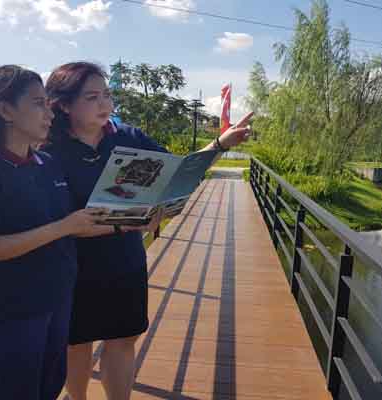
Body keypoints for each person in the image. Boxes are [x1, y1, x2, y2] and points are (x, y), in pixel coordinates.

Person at [44, 61, 253, 400]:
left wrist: (220, 144)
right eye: (92, 97)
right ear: (64, 105)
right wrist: (128, 221)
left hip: (124, 260)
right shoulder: (48, 150)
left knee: (123, 340)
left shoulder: (127, 136)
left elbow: (178, 172)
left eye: (107, 95)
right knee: (75, 343)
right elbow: (54, 220)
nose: (105, 105)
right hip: (71, 267)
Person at [0, 65, 106, 400]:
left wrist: (133, 219)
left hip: (55, 303)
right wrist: (62, 227)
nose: (49, 113)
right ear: (5, 110)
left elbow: (70, 224)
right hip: (10, 313)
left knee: (48, 389)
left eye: (47, 103)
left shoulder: (45, 163)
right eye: (38, 103)